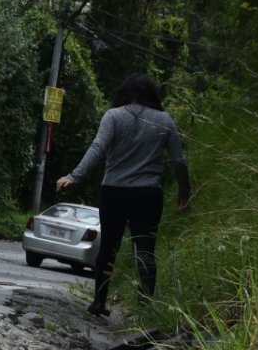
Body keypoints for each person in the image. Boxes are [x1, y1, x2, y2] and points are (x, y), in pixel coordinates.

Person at [55, 73, 191, 317]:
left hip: (114, 192)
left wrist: (74, 176)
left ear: (125, 93)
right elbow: (179, 161)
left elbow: (98, 147)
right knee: (145, 250)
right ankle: (146, 307)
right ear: (152, 95)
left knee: (108, 247)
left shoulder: (114, 116)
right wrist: (184, 190)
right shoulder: (165, 120)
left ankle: (99, 301)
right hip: (148, 194)